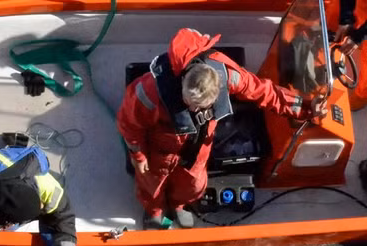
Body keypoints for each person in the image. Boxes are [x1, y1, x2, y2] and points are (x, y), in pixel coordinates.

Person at [117, 28, 313, 229]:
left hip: (198, 147)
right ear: (183, 82)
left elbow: (262, 90)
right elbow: (129, 124)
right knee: (152, 183)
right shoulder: (149, 91)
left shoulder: (228, 76)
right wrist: (138, 155)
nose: (193, 109)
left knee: (193, 184)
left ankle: (179, 205)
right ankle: (154, 212)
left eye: (200, 107)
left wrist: (303, 107)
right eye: (189, 103)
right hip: (161, 147)